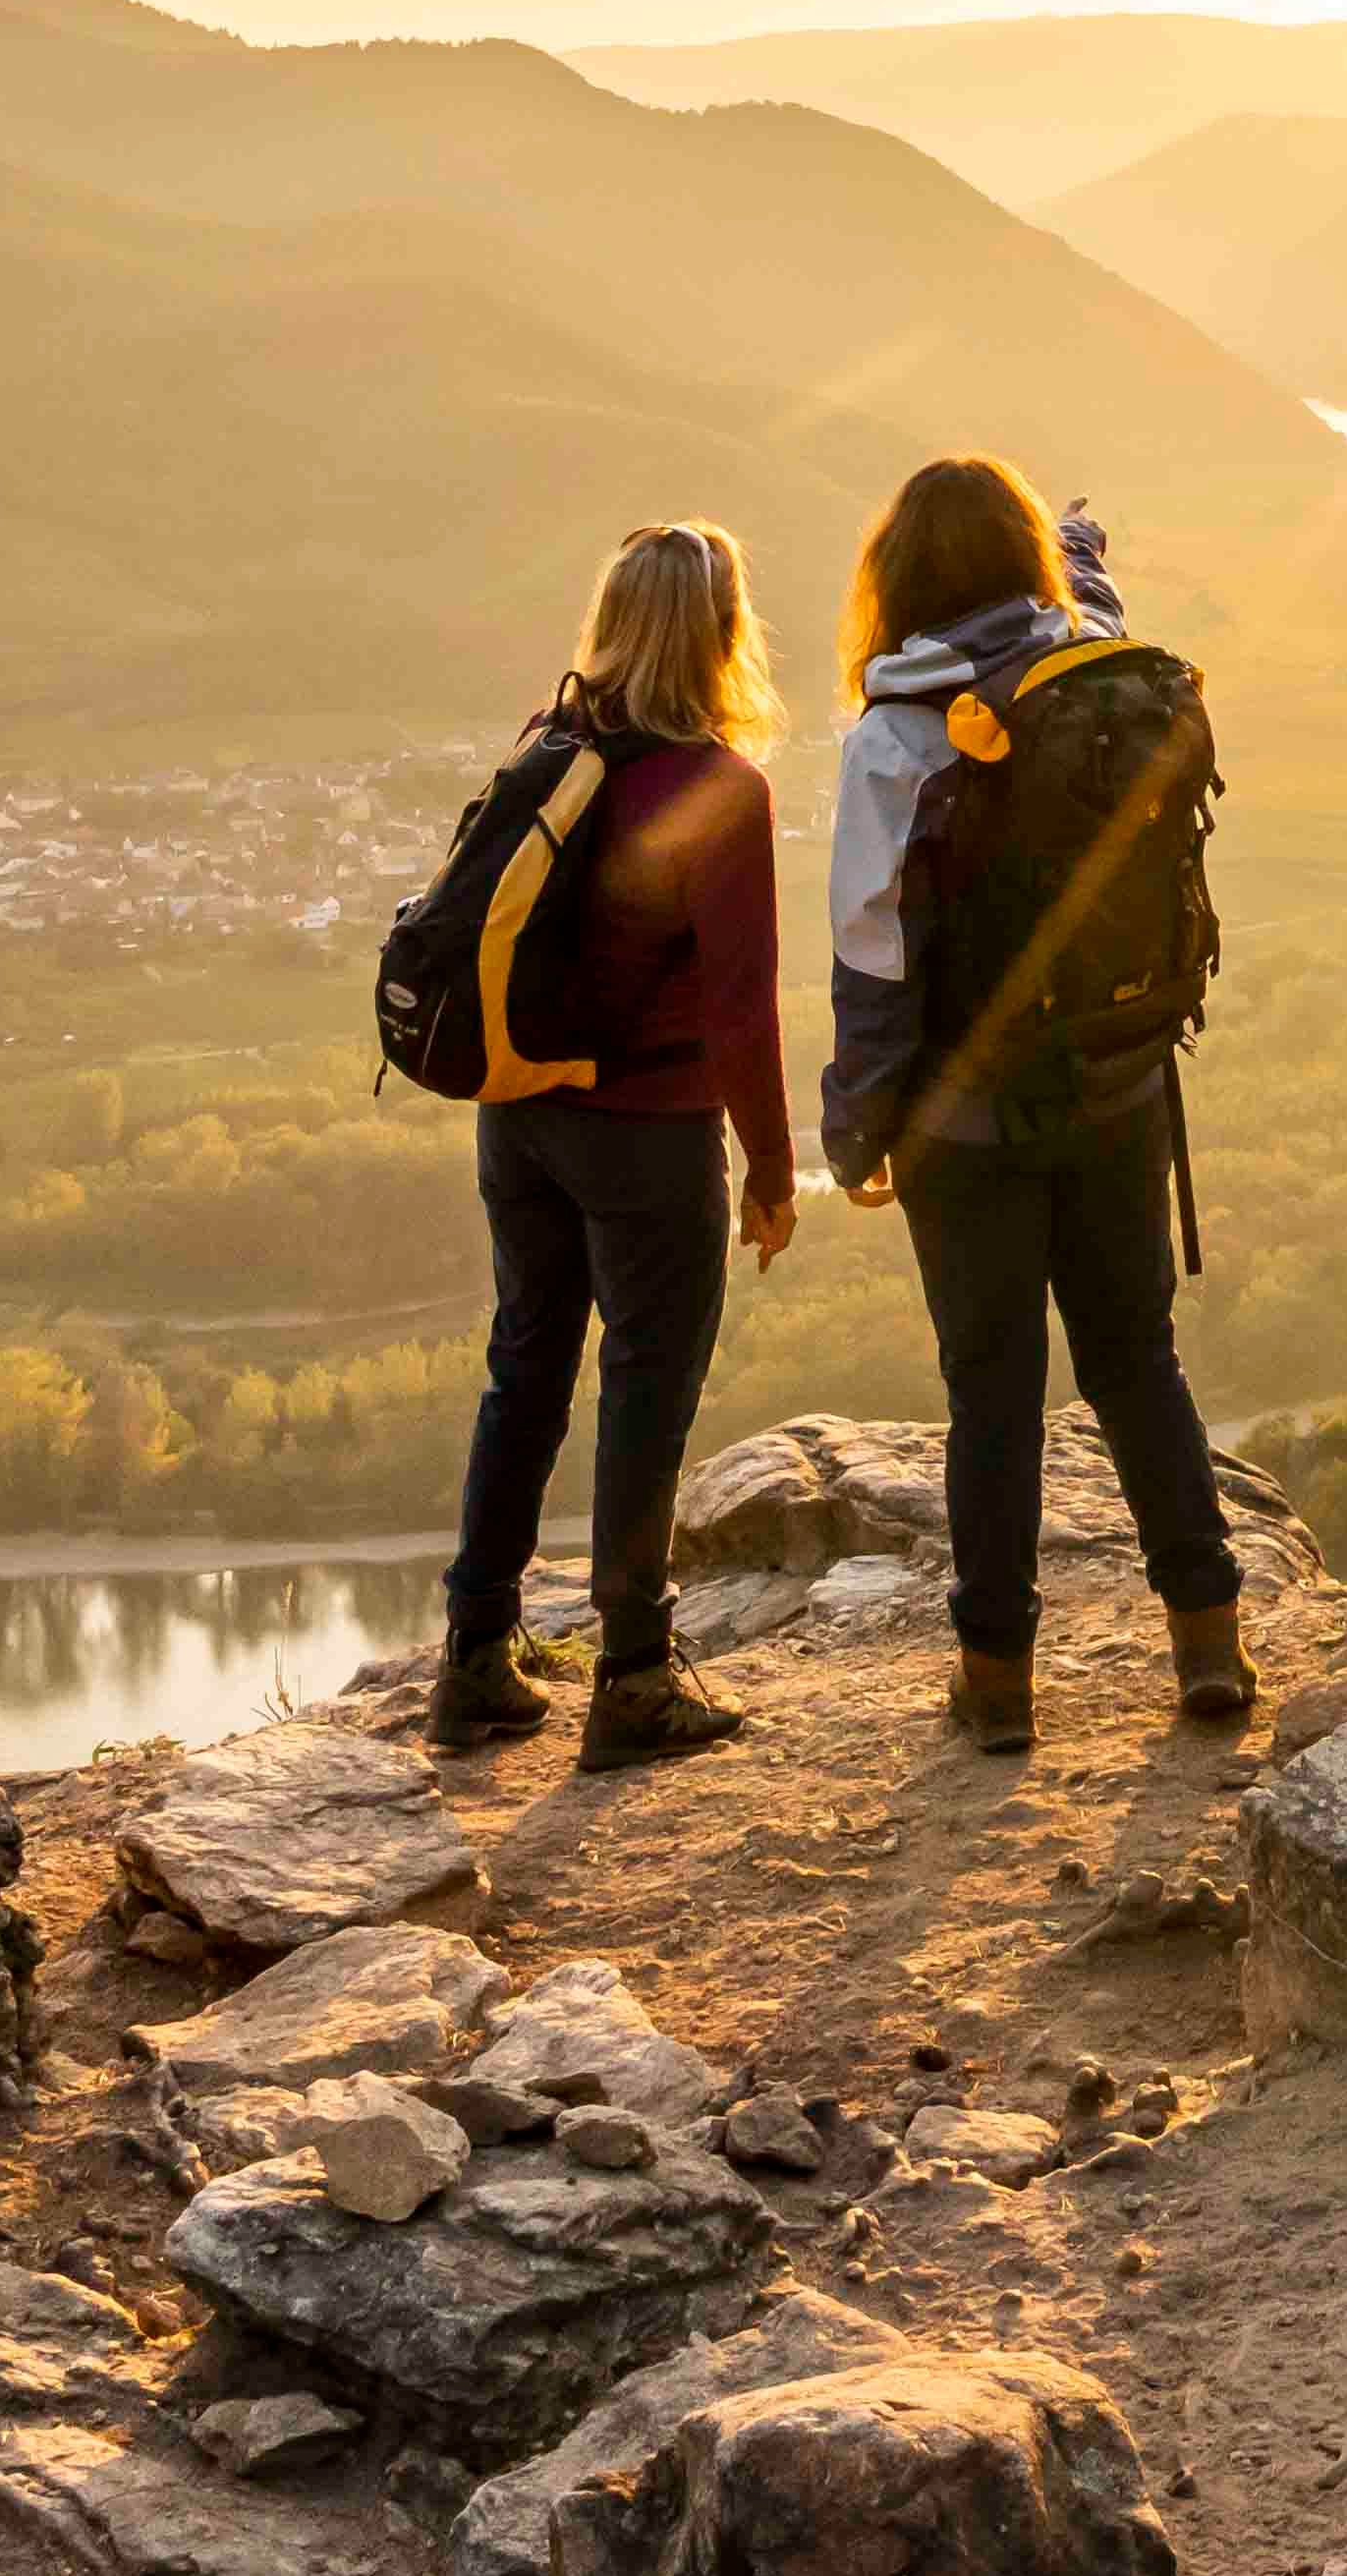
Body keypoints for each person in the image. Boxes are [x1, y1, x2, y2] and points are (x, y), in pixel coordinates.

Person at [820, 450, 1248, 1750]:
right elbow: (1093, 595)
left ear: (895, 584)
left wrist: (858, 1131)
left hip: (966, 1124)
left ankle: (998, 1685)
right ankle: (1209, 1649)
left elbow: (873, 955)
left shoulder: (897, 733)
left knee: (991, 1394)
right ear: (1028, 567)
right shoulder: (1095, 675)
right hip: (1121, 1085)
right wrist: (1076, 537)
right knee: (1137, 1363)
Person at [423, 522, 793, 1768]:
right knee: (645, 1385)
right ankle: (633, 1675)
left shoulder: (551, 746)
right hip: (647, 1132)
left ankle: (476, 1655)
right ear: (725, 632)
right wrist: (776, 1175)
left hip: (518, 1112)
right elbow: (743, 1009)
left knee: (523, 1363)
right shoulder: (717, 788)